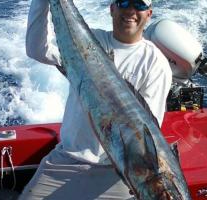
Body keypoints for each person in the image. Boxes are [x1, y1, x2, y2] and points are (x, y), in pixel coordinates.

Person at [19, 0, 172, 199]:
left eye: (139, 5)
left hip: (115, 172)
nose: (130, 11)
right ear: (112, 8)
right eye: (124, 2)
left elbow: (142, 138)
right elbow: (37, 50)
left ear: (149, 14)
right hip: (67, 159)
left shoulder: (155, 63)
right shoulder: (89, 40)